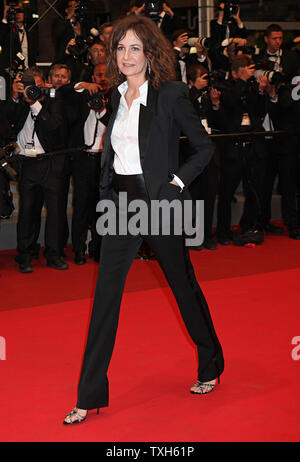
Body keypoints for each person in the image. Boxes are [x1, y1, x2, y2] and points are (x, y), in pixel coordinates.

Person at [63, 14, 224, 425]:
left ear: (151, 52)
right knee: (105, 299)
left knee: (182, 285)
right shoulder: (115, 96)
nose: (127, 55)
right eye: (121, 48)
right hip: (121, 205)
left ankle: (211, 363)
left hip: (163, 205)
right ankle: (89, 395)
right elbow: (114, 155)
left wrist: (176, 184)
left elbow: (203, 148)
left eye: (135, 47)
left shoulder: (170, 93)